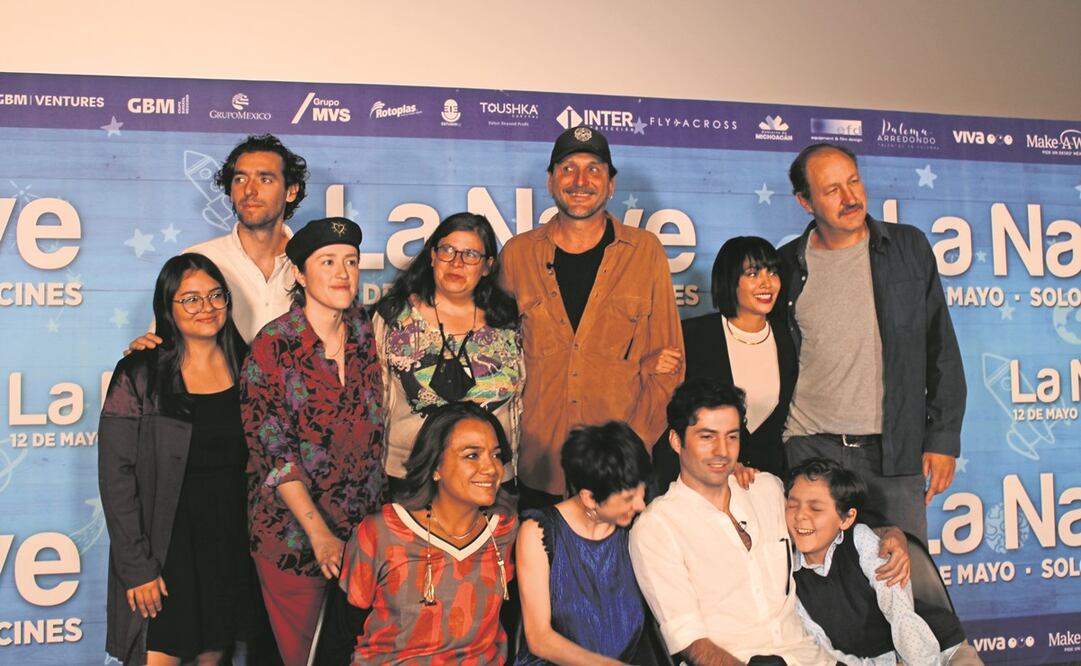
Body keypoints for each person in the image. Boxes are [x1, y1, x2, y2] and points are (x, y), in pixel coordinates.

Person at [630, 378, 911, 666]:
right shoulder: (657, 528)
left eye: (731, 436)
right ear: (677, 441)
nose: (722, 451)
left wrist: (892, 535)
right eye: (707, 437)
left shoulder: (767, 489)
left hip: (812, 657)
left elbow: (831, 527)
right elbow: (691, 643)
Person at [777, 143, 966, 542]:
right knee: (817, 581)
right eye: (832, 190)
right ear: (805, 202)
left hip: (894, 452)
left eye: (854, 182)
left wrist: (943, 440)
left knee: (900, 578)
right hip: (811, 449)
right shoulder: (784, 266)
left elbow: (942, 350)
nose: (850, 198)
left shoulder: (908, 248)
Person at [500, 125, 684, 509]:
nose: (580, 181)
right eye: (568, 169)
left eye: (594, 169)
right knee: (541, 567)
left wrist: (630, 446)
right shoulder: (517, 255)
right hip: (539, 467)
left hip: (619, 471)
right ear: (550, 182)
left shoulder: (645, 251)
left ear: (611, 185)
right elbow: (495, 361)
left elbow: (669, 363)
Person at [242, 217, 385, 665]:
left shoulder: (366, 332)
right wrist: (320, 535)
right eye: (328, 262)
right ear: (300, 275)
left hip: (364, 537)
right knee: (308, 658)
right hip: (294, 543)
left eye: (351, 262)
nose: (343, 273)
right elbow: (275, 456)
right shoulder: (272, 347)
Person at [99, 253, 250, 665]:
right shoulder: (139, 372)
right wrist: (136, 568)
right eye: (191, 299)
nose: (207, 308)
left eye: (216, 295)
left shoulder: (251, 367)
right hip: (162, 556)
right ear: (167, 307)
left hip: (226, 554)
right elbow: (116, 476)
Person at [339, 401, 518, 664]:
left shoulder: (505, 530)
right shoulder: (382, 532)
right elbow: (343, 631)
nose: (491, 469)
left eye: (496, 455)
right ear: (436, 467)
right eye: (472, 455)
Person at [372, 212, 523, 492]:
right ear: (432, 256)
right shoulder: (394, 317)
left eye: (470, 255)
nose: (457, 262)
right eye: (447, 250)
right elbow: (372, 398)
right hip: (410, 478)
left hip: (489, 481)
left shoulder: (511, 323)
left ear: (488, 266)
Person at [785, 458, 982, 665]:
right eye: (792, 504)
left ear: (847, 518)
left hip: (938, 651)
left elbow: (899, 611)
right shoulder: (789, 573)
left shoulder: (860, 540)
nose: (800, 516)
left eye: (815, 508)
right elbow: (824, 649)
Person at [652, 236, 794, 496]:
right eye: (753, 273)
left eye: (772, 272)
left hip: (763, 487)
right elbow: (675, 416)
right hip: (697, 486)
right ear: (730, 280)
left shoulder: (787, 338)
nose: (766, 283)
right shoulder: (693, 335)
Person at [134, 133, 309, 345]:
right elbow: (165, 343)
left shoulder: (314, 263)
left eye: (265, 179)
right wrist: (143, 360)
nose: (249, 190)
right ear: (229, 192)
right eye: (240, 179)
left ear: (291, 191)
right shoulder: (199, 259)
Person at [516, 421, 651, 665]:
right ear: (590, 498)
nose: (641, 504)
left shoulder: (636, 528)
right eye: (629, 497)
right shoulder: (539, 532)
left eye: (643, 492)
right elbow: (539, 637)